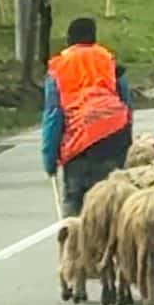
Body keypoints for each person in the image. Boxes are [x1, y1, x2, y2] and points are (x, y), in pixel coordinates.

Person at [42, 17, 133, 216]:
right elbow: (126, 104)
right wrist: (127, 142)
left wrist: (50, 159)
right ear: (94, 37)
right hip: (114, 135)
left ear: (69, 39)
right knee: (113, 200)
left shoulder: (59, 68)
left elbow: (53, 116)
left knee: (76, 201)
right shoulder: (108, 61)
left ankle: (73, 240)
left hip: (79, 141)